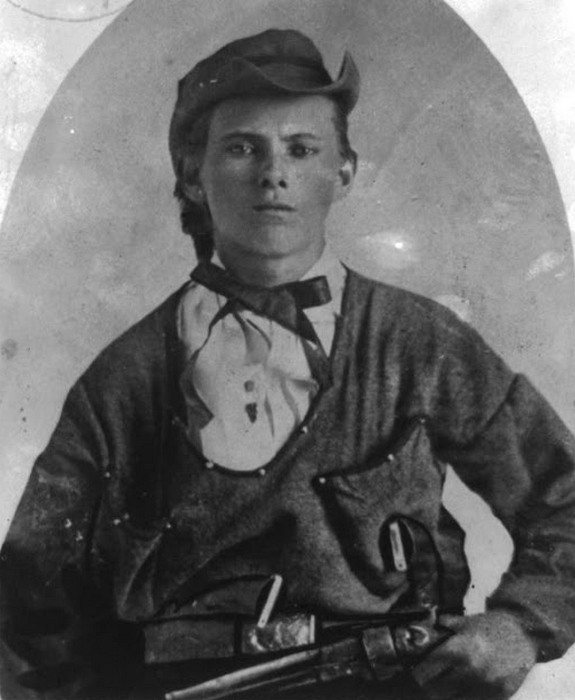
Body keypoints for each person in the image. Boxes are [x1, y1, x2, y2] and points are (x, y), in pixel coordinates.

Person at [1, 28, 575, 700]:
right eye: (241, 148)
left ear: (344, 172)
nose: (273, 174)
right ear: (192, 174)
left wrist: (519, 626)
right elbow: (28, 602)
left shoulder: (420, 344)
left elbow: (564, 498)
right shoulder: (124, 380)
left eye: (301, 150)